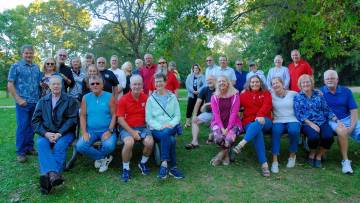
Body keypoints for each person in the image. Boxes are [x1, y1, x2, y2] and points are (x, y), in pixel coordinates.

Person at [31, 75, 78, 194]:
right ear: (49, 86)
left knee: (60, 146)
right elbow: (35, 121)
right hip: (47, 132)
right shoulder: (43, 101)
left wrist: (59, 133)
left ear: (62, 85)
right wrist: (46, 133)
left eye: (58, 84)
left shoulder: (70, 100)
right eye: (53, 84)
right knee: (41, 144)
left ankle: (47, 178)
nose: (56, 86)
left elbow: (72, 119)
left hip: (65, 133)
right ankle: (54, 176)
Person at [294, 74, 338, 168]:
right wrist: (311, 124)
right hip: (307, 123)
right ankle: (312, 153)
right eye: (303, 82)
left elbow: (326, 109)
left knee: (329, 137)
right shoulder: (298, 97)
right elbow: (298, 114)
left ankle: (319, 154)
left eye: (307, 82)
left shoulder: (319, 94)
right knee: (314, 137)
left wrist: (335, 119)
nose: (305, 84)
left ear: (311, 83)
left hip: (322, 121)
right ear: (300, 84)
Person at [145, 73, 184, 179]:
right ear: (154, 83)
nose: (158, 83)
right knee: (170, 139)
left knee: (167, 132)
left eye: (160, 81)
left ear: (165, 82)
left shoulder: (172, 97)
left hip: (171, 126)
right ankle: (172, 167)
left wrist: (170, 124)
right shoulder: (151, 99)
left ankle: (164, 164)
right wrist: (159, 126)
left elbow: (177, 115)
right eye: (156, 81)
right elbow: (148, 119)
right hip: (157, 129)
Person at [321, 70, 360, 174]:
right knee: (342, 131)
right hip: (332, 120)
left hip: (348, 118)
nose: (330, 80)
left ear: (337, 79)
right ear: (324, 81)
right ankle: (346, 161)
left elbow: (354, 110)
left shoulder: (346, 91)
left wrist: (351, 127)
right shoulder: (321, 92)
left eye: (332, 78)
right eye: (327, 78)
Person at [7, 44, 42, 162]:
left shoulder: (36, 67)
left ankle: (29, 147)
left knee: (32, 126)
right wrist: (18, 99)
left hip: (35, 102)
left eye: (30, 53)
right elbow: (10, 84)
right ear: (22, 54)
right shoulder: (16, 66)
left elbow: (39, 83)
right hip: (23, 102)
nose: (29, 55)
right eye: (26, 53)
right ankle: (21, 152)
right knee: (22, 126)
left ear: (33, 54)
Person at [76, 75, 117, 173]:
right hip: (91, 131)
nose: (95, 85)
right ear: (89, 86)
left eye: (97, 83)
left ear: (102, 85)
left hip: (106, 129)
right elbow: (82, 116)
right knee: (80, 146)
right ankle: (103, 158)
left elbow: (114, 115)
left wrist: (110, 131)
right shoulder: (86, 98)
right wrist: (84, 132)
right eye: (92, 84)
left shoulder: (110, 96)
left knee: (109, 145)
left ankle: (100, 158)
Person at [233, 75, 272, 177]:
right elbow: (235, 105)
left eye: (257, 82)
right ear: (249, 84)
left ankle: (242, 143)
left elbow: (267, 106)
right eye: (252, 82)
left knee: (258, 123)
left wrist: (259, 116)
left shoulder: (266, 93)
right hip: (248, 122)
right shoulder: (244, 94)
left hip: (265, 120)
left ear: (260, 83)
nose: (255, 84)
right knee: (257, 132)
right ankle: (264, 164)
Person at [117, 75, 154, 182]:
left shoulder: (146, 98)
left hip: (142, 127)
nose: (137, 86)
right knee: (129, 143)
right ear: (130, 85)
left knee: (150, 142)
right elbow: (120, 119)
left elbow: (151, 115)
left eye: (139, 84)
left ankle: (142, 163)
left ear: (142, 85)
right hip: (127, 128)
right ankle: (126, 168)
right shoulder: (123, 99)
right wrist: (132, 132)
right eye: (134, 84)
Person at [209, 76, 242, 166]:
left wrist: (227, 128)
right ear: (217, 84)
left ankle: (220, 155)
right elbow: (216, 114)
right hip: (218, 123)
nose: (221, 83)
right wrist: (222, 128)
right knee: (218, 138)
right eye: (219, 81)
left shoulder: (235, 95)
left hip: (234, 123)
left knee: (228, 139)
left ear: (228, 83)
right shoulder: (214, 97)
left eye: (224, 81)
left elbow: (234, 113)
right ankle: (226, 154)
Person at [270, 77, 300, 173]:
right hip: (278, 120)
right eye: (273, 84)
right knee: (276, 132)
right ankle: (275, 161)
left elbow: (305, 95)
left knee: (294, 131)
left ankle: (292, 155)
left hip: (292, 119)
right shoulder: (271, 95)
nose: (275, 85)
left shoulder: (293, 94)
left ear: (282, 84)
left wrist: (316, 91)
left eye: (277, 82)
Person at [185, 75, 216, 149]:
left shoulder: (219, 89)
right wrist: (195, 115)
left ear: (215, 80)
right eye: (207, 80)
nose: (209, 81)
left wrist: (206, 104)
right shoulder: (204, 89)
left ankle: (211, 136)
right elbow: (198, 103)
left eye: (211, 79)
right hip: (209, 113)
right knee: (195, 121)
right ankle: (194, 142)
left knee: (215, 124)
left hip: (220, 115)